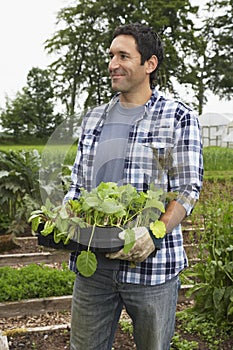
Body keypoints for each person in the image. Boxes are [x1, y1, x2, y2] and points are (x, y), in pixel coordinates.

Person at [64, 22, 203, 350]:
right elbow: (78, 183)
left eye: (123, 56)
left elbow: (187, 188)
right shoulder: (94, 119)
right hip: (94, 266)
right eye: (111, 56)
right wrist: (67, 210)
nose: (112, 64)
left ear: (149, 64)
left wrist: (153, 233)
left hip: (152, 267)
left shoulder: (178, 117)